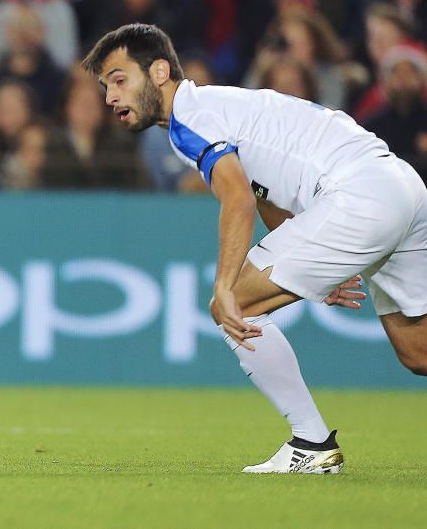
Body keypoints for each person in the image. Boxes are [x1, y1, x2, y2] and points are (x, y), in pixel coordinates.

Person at [82, 23, 427, 474]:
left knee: (234, 306)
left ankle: (312, 444)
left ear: (160, 71)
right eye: (107, 86)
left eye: (120, 80)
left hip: (359, 196)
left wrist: (225, 285)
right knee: (417, 351)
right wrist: (328, 249)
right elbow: (265, 193)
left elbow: (239, 197)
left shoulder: (191, 119)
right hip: (399, 186)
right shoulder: (217, 107)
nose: (110, 97)